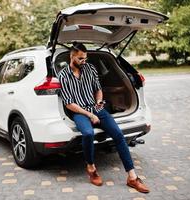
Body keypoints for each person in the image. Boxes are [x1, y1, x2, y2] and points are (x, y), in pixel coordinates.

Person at [58, 42, 150, 193]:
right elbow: (69, 104)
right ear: (72, 57)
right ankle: (91, 167)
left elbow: (98, 89)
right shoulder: (63, 75)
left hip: (96, 108)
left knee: (118, 135)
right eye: (81, 59)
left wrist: (99, 101)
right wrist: (90, 115)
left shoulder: (90, 68)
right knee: (87, 134)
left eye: (85, 58)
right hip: (79, 112)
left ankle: (132, 177)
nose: (84, 61)